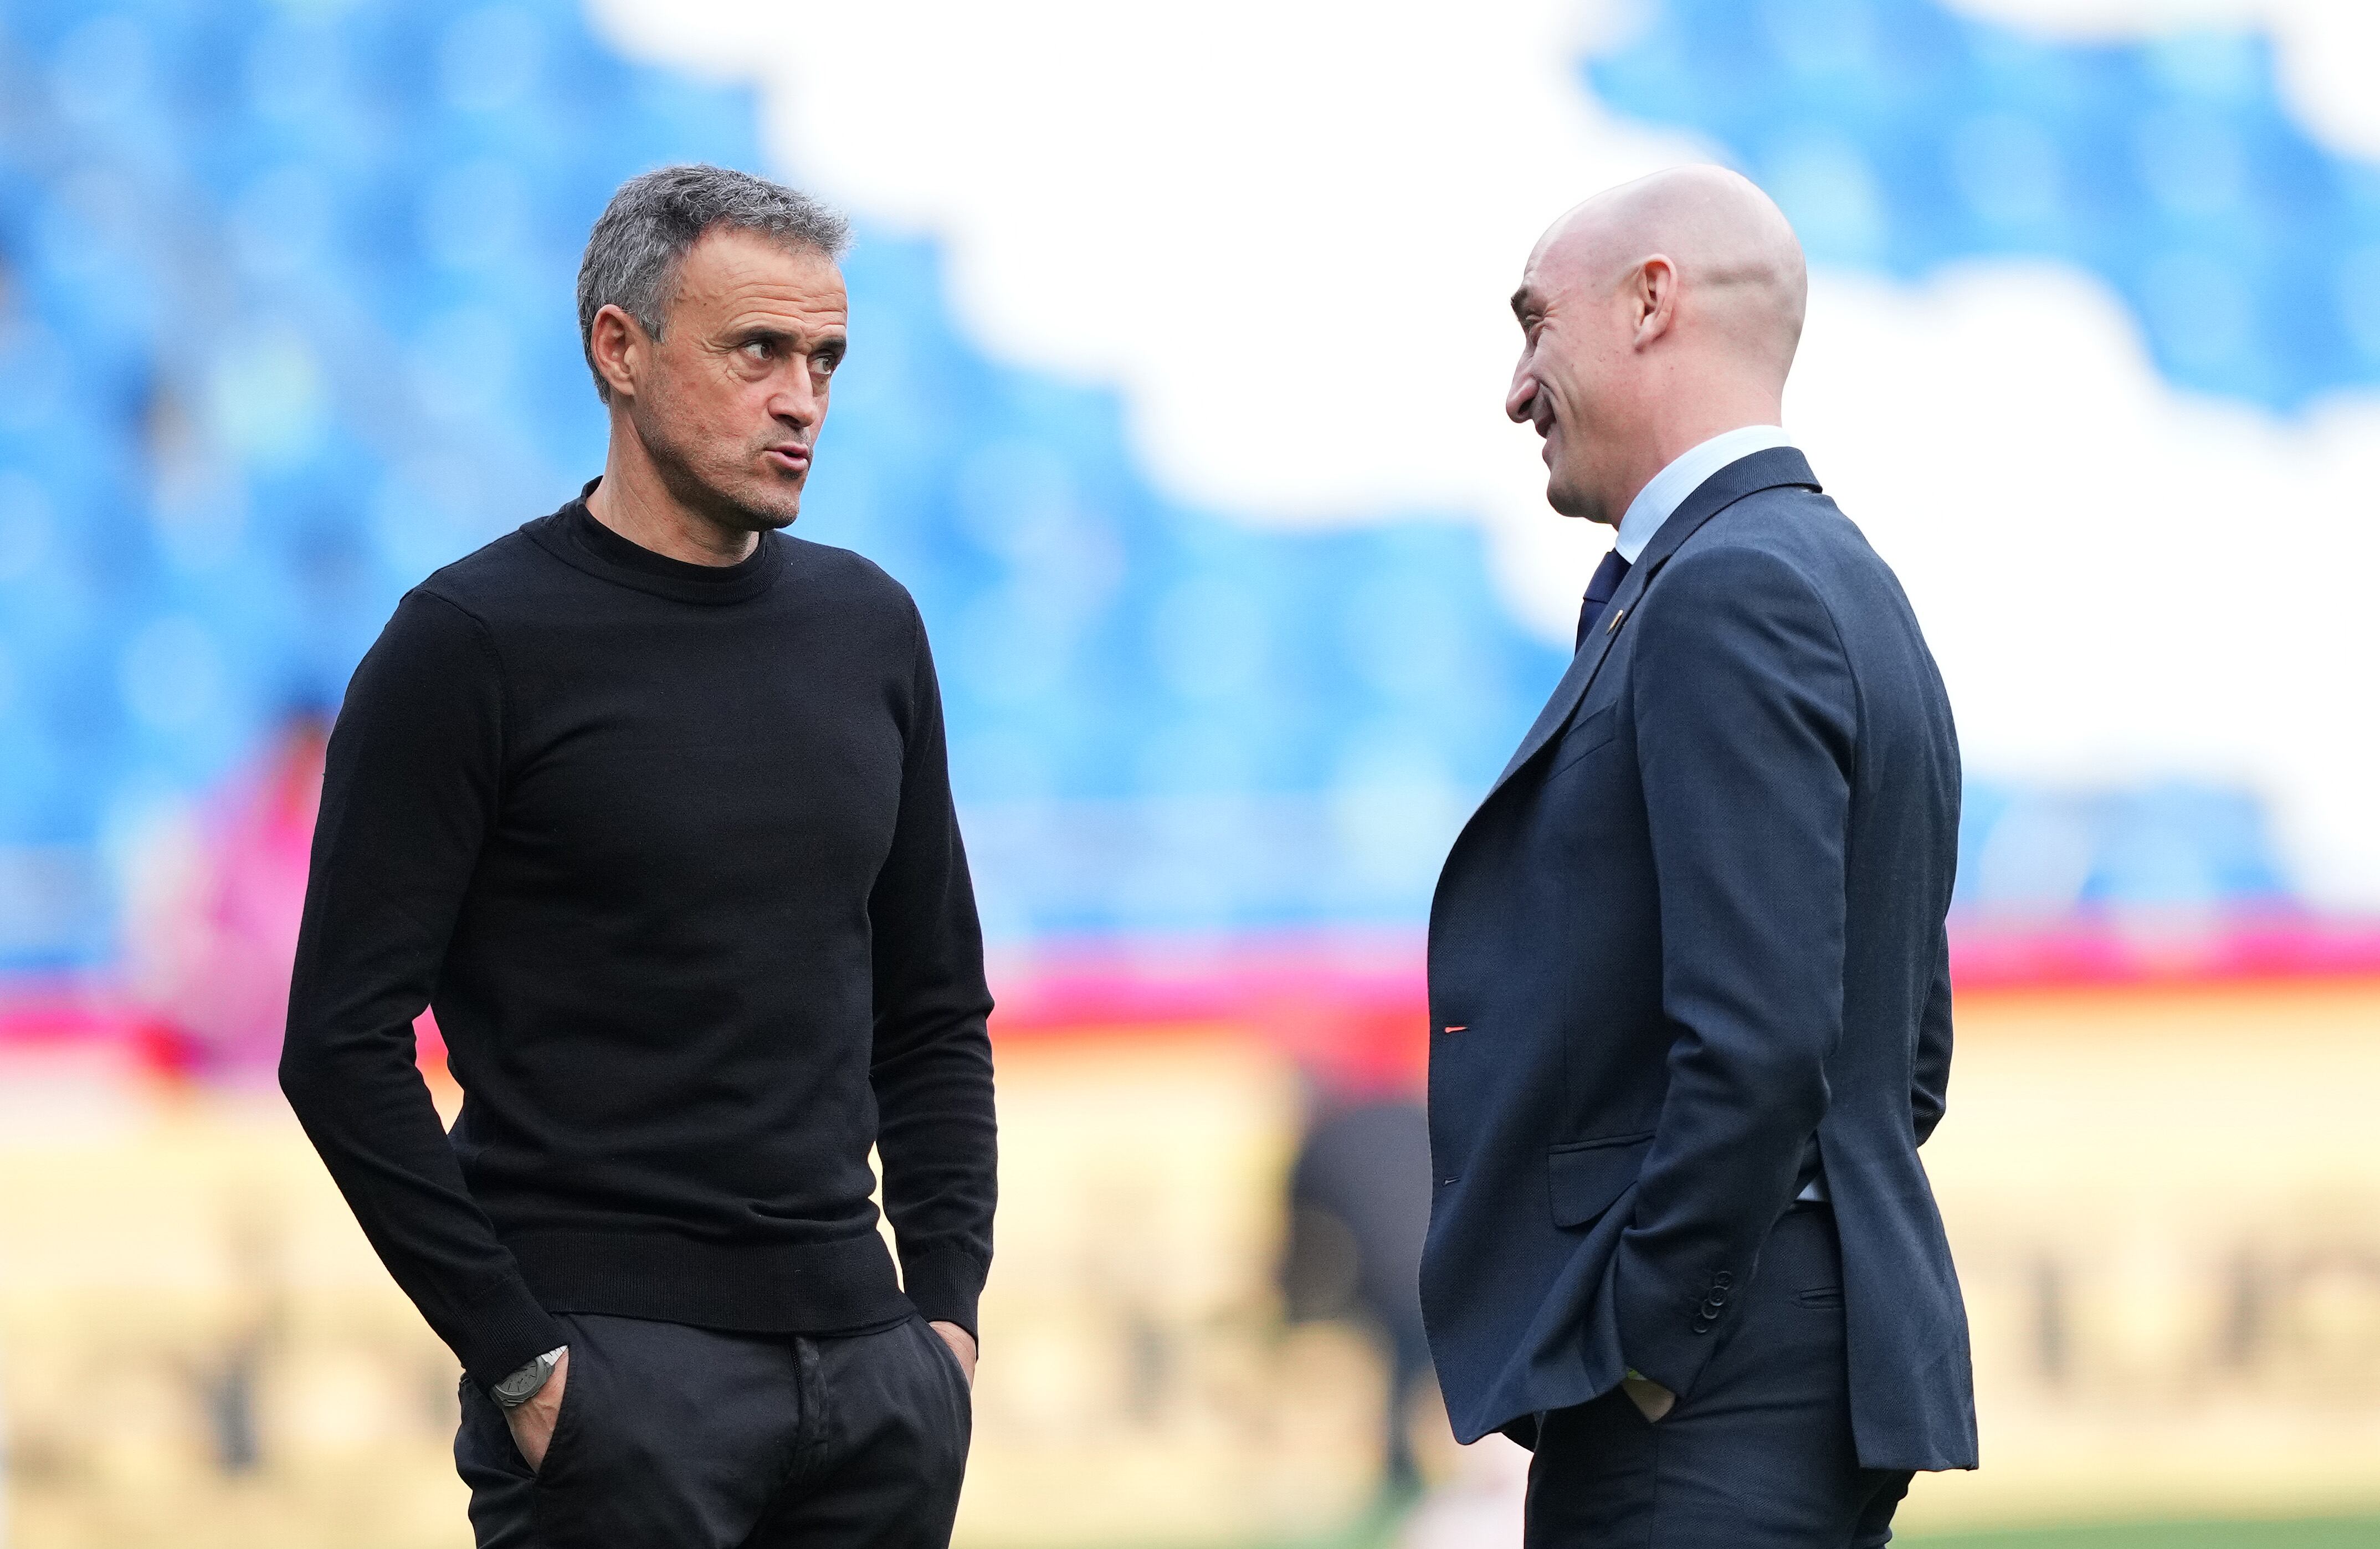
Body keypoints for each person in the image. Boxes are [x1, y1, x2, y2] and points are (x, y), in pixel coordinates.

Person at [280, 165, 996, 1548]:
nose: (802, 399)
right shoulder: (468, 646)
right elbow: (340, 1042)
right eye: (758, 352)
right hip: (616, 1389)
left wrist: (946, 1328)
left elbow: (934, 1009)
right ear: (620, 349)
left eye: (825, 359)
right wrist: (526, 1364)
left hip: (871, 1374)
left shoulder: (871, 628)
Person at [1419, 165, 1974, 1546]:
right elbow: (1902, 1053)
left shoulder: (1727, 592)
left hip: (1710, 1398)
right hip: (1772, 1376)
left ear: (1651, 301)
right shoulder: (1836, 578)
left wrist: (1651, 1341)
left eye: (1535, 324)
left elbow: (1769, 1037)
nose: (1515, 385)